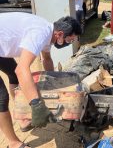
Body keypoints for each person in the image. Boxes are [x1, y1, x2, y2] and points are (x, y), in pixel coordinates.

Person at [0, 12, 81, 148]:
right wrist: (37, 105)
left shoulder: (49, 33)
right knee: (1, 97)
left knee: (13, 76)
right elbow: (22, 69)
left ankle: (23, 115)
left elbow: (47, 59)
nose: (69, 43)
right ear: (60, 34)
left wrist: (55, 80)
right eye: (70, 40)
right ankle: (13, 143)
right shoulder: (41, 33)